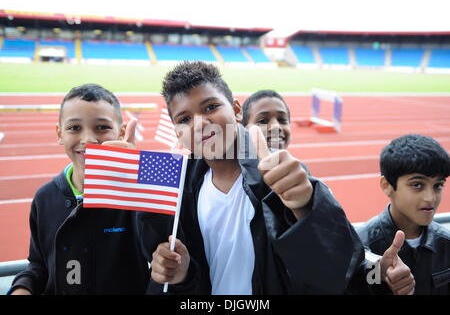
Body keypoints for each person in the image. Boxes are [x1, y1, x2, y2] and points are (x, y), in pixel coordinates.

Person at [147, 61, 414, 295]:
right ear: (176, 132)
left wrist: (307, 206)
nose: (199, 122)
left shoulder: (280, 173)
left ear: (237, 110)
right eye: (184, 119)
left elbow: (335, 265)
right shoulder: (177, 183)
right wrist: (182, 274)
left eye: (211, 107)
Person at [8, 84, 158, 295]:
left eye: (102, 127)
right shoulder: (45, 198)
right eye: (74, 128)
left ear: (121, 132)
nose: (88, 140)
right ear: (59, 134)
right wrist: (22, 289)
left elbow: (162, 255)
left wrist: (138, 176)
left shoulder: (135, 194)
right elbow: (39, 264)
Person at [357, 134, 450, 294]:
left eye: (438, 185)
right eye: (417, 185)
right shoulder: (363, 246)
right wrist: (379, 275)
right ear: (387, 185)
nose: (431, 198)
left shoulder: (446, 244)